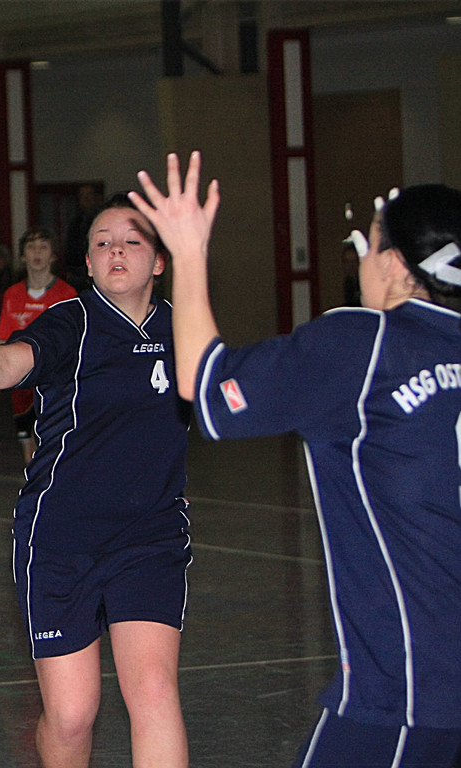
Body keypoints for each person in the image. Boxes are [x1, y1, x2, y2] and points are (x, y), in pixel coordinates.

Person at [132, 151, 461, 767]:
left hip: (408, 690)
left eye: (367, 243)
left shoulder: (364, 346)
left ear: (394, 264)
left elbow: (208, 388)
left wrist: (189, 253)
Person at [0, 193, 193, 768]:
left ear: (160, 260)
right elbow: (12, 359)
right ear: (88, 263)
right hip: (60, 538)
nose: (116, 251)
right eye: (102, 243)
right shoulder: (72, 322)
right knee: (72, 715)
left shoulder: (185, 329)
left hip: (150, 536)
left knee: (154, 692)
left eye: (132, 241)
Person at [0, 226, 77, 463]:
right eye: (31, 247)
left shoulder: (67, 294)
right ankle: (32, 480)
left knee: (52, 443)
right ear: (22, 256)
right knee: (27, 445)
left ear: (53, 256)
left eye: (43, 247)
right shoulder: (13, 294)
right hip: (22, 383)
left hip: (55, 383)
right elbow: (3, 339)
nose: (37, 252)